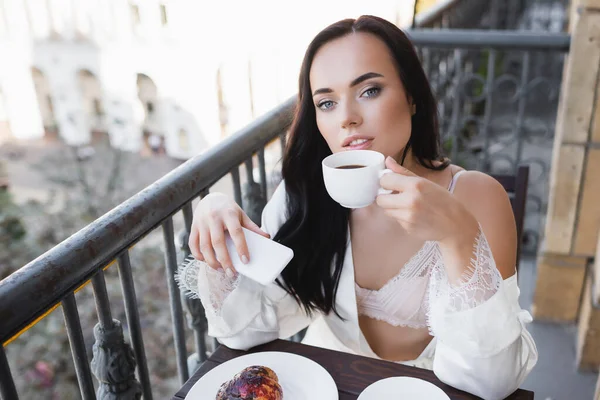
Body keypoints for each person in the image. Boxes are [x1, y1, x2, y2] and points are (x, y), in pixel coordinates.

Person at [177, 15, 538, 400]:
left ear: (412, 96)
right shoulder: (304, 197)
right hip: (326, 383)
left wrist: (458, 235)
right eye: (327, 102)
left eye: (369, 90)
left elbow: (492, 382)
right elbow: (245, 331)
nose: (347, 117)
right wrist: (216, 218)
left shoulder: (477, 197)